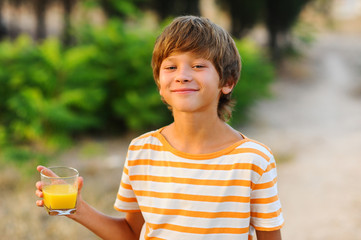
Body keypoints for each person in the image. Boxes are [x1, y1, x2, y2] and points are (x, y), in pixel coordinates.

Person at [35, 15, 284, 240]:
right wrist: (77, 208)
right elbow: (131, 233)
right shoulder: (142, 151)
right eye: (171, 67)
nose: (182, 75)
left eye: (198, 65)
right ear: (159, 83)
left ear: (227, 82)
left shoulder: (254, 160)